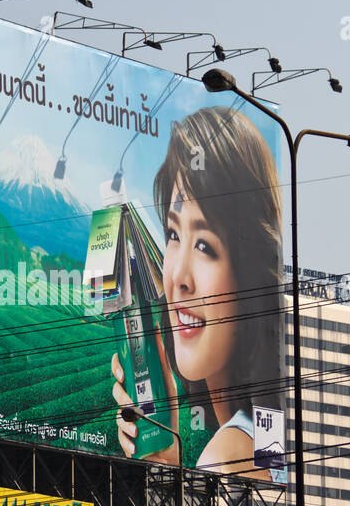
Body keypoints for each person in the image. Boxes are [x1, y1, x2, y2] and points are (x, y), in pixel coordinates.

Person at [112, 104, 284, 476]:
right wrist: (168, 458)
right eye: (174, 235)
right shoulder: (264, 446)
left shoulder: (228, 455)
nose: (178, 278)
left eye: (205, 245)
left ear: (250, 275)